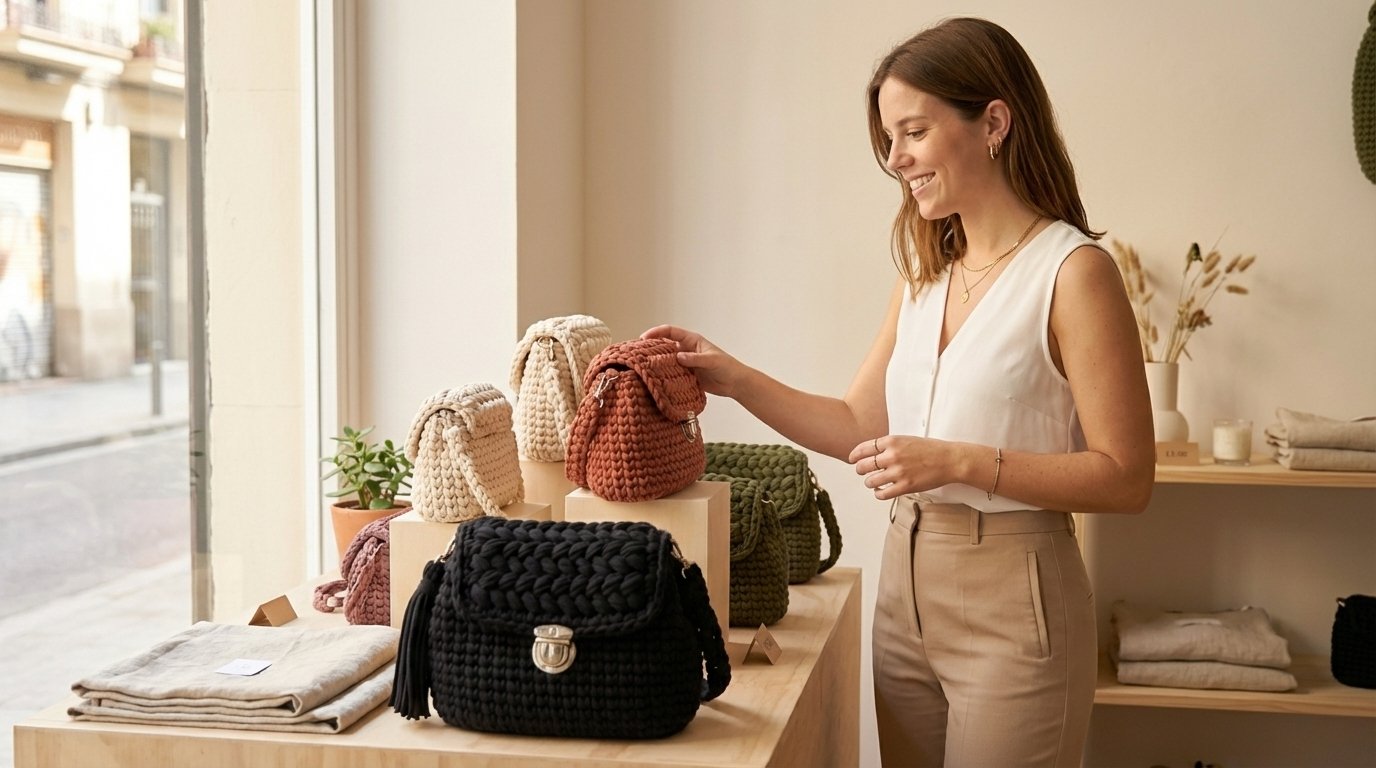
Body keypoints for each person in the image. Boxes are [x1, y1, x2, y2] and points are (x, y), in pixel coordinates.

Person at [643, 16, 1154, 768]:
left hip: (1017, 604)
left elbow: (1126, 475)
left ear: (994, 123)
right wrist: (736, 378)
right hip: (903, 591)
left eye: (912, 132)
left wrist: (959, 462)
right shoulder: (924, 275)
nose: (896, 158)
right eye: (888, 139)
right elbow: (858, 424)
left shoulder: (1073, 273)